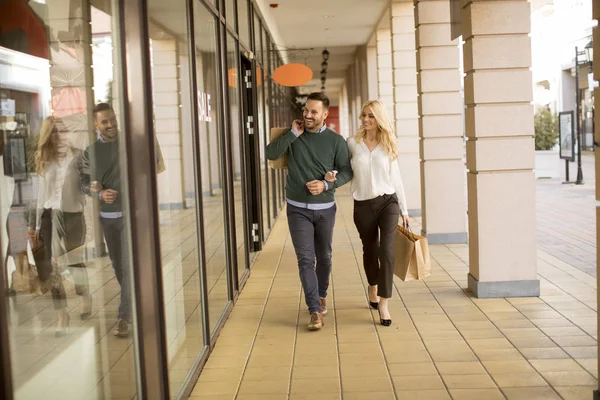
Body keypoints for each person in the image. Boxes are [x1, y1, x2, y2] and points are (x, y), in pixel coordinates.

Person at [266, 92, 352, 331]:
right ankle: (314, 309)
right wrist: (293, 134)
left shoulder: (336, 141)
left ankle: (322, 294)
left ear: (325, 114)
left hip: (325, 209)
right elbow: (271, 154)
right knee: (305, 260)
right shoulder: (292, 135)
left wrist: (326, 184)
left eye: (314, 112)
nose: (308, 115)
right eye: (306, 110)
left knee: (324, 257)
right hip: (297, 210)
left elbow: (346, 171)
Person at [328, 100, 409, 327]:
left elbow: (396, 177)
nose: (365, 119)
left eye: (371, 116)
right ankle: (372, 285)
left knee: (388, 250)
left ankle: (384, 302)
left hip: (388, 202)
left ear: (379, 118)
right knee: (370, 250)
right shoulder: (352, 143)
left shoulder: (388, 144)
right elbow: (343, 168)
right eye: (364, 115)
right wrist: (333, 174)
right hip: (363, 204)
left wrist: (404, 208)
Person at [31, 116, 90, 337]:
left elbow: (87, 184)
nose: (59, 135)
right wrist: (37, 224)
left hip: (73, 214)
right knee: (53, 266)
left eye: (62, 131)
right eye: (55, 131)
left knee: (75, 261)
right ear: (49, 135)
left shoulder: (78, 156)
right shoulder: (44, 159)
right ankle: (61, 314)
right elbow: (41, 195)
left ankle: (84, 294)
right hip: (49, 215)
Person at [81, 103, 130, 338]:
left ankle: (124, 317)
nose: (111, 125)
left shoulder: (130, 142)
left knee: (129, 266)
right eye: (105, 122)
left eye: (112, 119)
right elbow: (83, 183)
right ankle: (134, 302)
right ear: (96, 125)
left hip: (133, 215)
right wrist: (100, 193)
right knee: (118, 265)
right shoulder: (90, 152)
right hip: (108, 218)